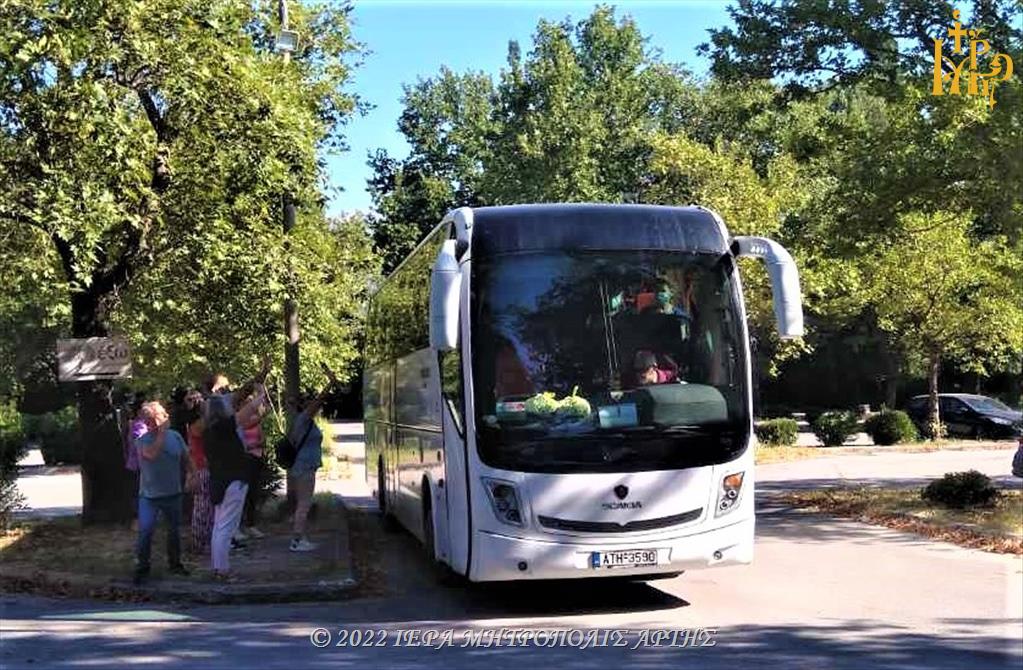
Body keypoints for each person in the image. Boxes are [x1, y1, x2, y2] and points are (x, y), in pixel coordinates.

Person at [133, 401, 193, 585]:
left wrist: (193, 474)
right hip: (150, 496)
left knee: (174, 531)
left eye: (165, 414)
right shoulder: (142, 440)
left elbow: (186, 456)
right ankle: (143, 567)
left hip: (173, 492)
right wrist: (161, 432)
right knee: (145, 532)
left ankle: (175, 564)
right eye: (162, 415)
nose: (166, 417)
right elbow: (151, 455)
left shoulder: (175, 436)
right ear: (150, 420)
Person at [287, 381, 333, 552]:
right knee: (304, 504)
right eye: (307, 402)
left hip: (304, 466)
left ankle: (300, 537)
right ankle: (297, 540)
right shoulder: (304, 419)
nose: (312, 404)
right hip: (304, 466)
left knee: (302, 503)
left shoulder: (301, 421)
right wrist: (329, 385)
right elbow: (318, 401)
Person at [237, 383, 269, 541]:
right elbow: (242, 441)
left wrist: (256, 445)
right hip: (245, 459)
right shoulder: (240, 422)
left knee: (253, 492)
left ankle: (251, 524)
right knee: (244, 492)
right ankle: (240, 525)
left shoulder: (256, 421)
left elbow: (262, 439)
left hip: (256, 457)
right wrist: (251, 445)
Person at [183, 390, 213, 555]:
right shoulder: (196, 424)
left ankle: (204, 541)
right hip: (201, 467)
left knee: (206, 506)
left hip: (203, 466)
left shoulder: (195, 423)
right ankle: (199, 542)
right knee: (202, 507)